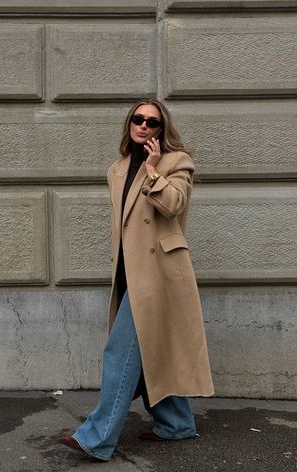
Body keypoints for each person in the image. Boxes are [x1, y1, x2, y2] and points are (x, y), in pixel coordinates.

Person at [58, 99, 214, 461]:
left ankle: (96, 438)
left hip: (159, 274)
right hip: (130, 272)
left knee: (121, 350)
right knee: (152, 349)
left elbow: (173, 205)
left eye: (152, 122)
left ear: (162, 130)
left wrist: (154, 169)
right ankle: (176, 425)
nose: (144, 126)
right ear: (129, 123)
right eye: (138, 119)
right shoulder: (116, 169)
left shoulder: (177, 163)